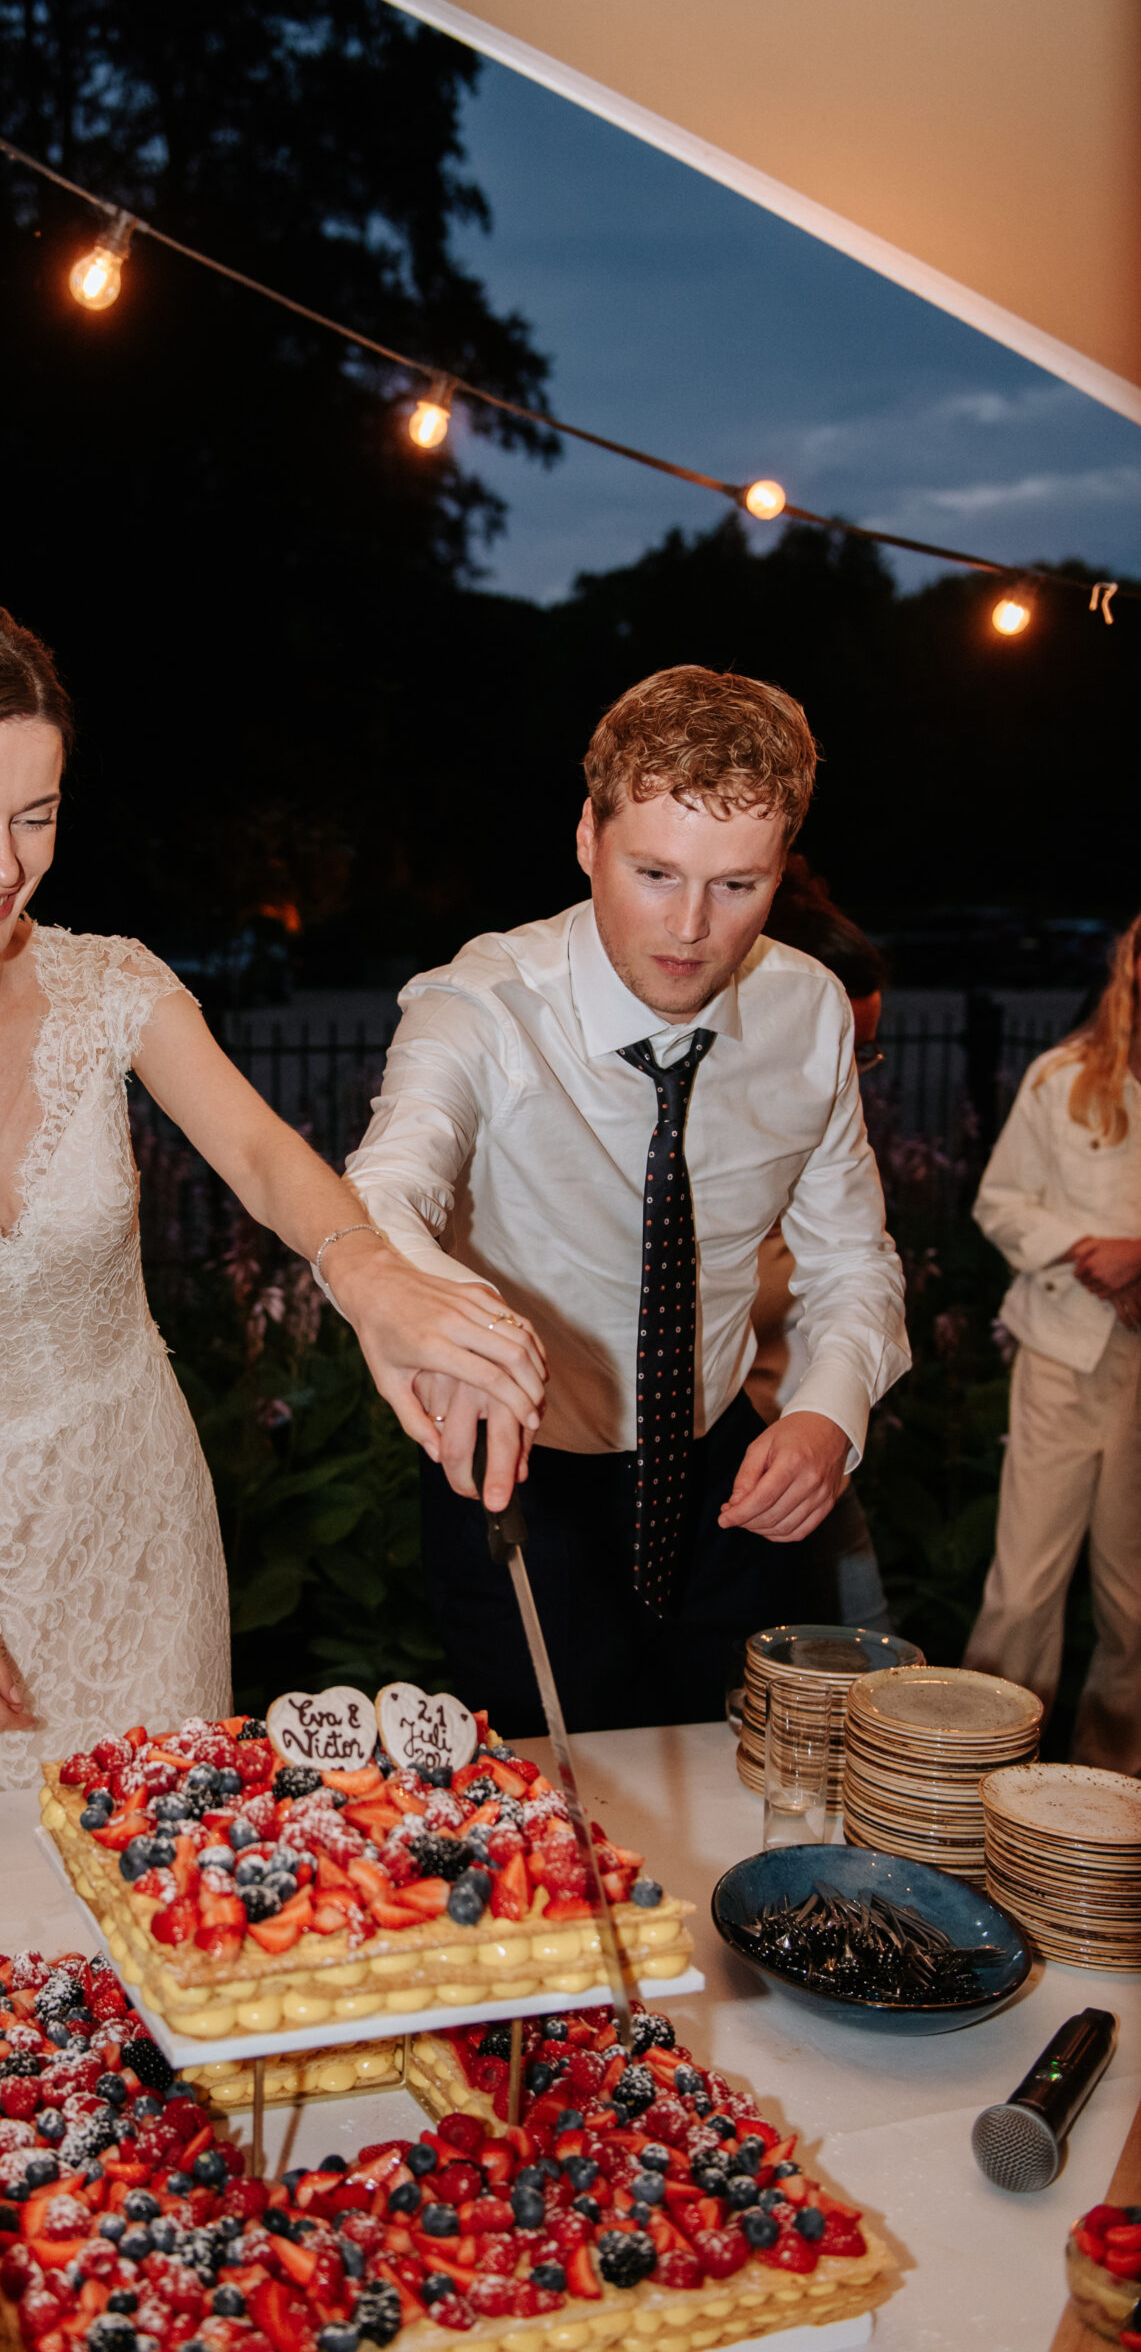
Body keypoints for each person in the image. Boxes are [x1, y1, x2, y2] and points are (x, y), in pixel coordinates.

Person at [0, 592, 546, 1801]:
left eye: (34, 816)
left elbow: (261, 1156)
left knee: (176, 1865)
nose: (2, 864)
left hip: (142, 1532)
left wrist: (372, 1280)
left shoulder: (111, 988)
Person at [346, 664, 910, 1736]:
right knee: (561, 1801)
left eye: (736, 886)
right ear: (586, 839)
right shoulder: (479, 1002)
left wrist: (827, 1414)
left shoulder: (809, 1012)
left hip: (727, 1473)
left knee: (737, 1784)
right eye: (654, 873)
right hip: (520, 1478)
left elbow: (851, 1258)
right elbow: (383, 1192)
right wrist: (429, 1323)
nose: (689, 926)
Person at [962, 911, 1141, 1768]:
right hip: (1061, 1356)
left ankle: (1111, 1793)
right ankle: (979, 1776)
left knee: (1132, 1605)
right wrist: (1083, 1251)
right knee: (1023, 1590)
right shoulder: (1062, 1078)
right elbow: (998, 1203)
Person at [743, 857, 892, 1630]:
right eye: (843, 1050)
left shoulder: (822, 1136)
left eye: (863, 1052)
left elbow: (857, 1266)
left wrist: (828, 1413)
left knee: (865, 1640)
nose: (851, 1078)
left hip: (808, 1445)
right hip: (731, 1464)